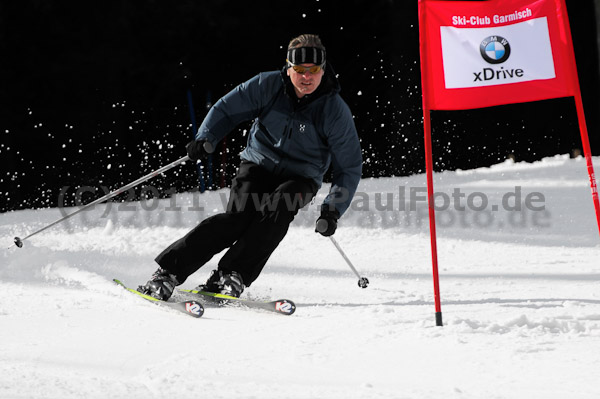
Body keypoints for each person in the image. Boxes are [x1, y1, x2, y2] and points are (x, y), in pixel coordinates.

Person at [138, 34, 362, 300]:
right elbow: (226, 109)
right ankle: (168, 272)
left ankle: (232, 275)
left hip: (301, 177)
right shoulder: (267, 85)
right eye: (300, 70)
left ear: (323, 70)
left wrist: (332, 210)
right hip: (258, 164)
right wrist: (206, 137)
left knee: (278, 209)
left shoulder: (334, 110)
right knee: (237, 219)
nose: (306, 78)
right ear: (288, 68)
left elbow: (348, 166)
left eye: (313, 71)